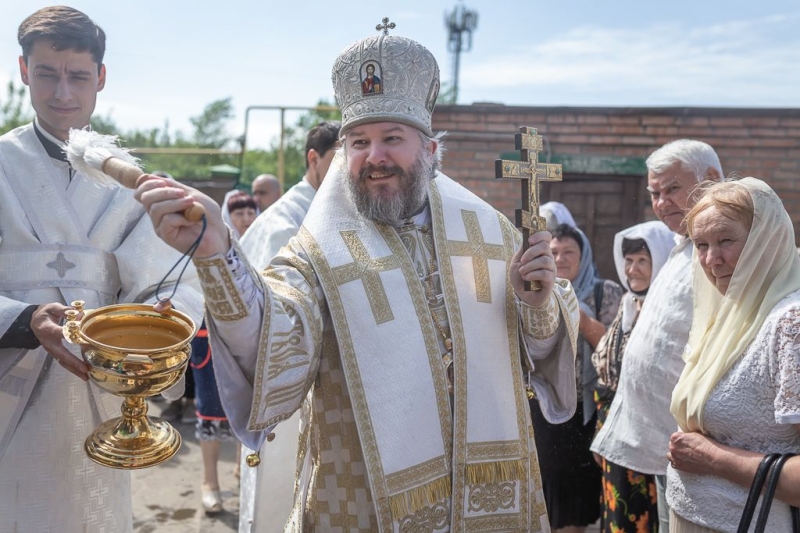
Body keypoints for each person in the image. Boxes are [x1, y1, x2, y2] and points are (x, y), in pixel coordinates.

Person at [135, 24, 580, 531]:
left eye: (393, 138)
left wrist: (536, 304)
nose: (375, 156)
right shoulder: (320, 249)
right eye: (359, 142)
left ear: (431, 151)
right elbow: (276, 334)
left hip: (485, 500)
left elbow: (540, 355)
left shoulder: (490, 234)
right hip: (366, 502)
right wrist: (219, 256)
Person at [0, 7, 203, 532]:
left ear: (101, 78)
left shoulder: (130, 181)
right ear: (23, 71)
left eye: (78, 76)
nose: (61, 91)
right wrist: (25, 320)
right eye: (46, 74)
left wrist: (167, 312)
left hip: (100, 395)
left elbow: (169, 281)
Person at [591, 139, 723, 532]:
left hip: (699, 442)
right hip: (662, 440)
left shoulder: (725, 251)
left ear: (712, 180)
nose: (662, 202)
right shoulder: (682, 249)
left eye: (672, 189)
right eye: (654, 193)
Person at [667, 178, 800, 531]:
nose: (712, 260)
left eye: (726, 240)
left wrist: (711, 458)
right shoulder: (734, 313)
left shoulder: (792, 323)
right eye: (701, 244)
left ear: (767, 240)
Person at [237, 120, 341, 532]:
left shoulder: (327, 210)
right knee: (280, 501)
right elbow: (267, 319)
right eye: (338, 160)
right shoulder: (287, 221)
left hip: (321, 384)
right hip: (288, 386)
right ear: (313, 159)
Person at [532, 223, 624, 532]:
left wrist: (580, 318)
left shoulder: (605, 292)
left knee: (576, 493)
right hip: (545, 406)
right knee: (548, 485)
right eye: (553, 252)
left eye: (569, 251)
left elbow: (613, 350)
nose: (561, 258)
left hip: (586, 410)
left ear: (583, 256)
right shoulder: (535, 295)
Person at [590, 221, 675, 533]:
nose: (633, 269)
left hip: (648, 443)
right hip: (615, 436)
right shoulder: (628, 305)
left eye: (643, 260)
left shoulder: (665, 313)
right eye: (628, 260)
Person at [241, 120, 341, 270]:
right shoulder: (285, 223)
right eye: (340, 157)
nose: (349, 168)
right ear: (313, 159)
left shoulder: (341, 207)